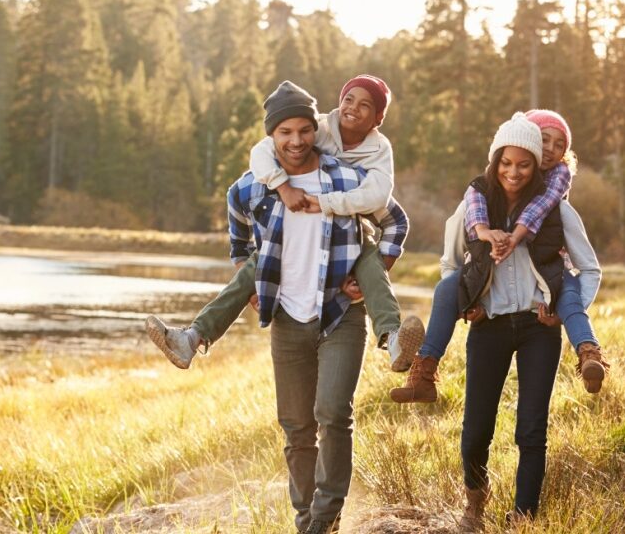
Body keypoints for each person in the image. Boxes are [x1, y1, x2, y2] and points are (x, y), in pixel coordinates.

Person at [213, 82, 409, 534]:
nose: (297, 140)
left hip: (340, 312)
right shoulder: (254, 185)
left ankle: (324, 519)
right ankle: (307, 521)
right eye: (285, 132)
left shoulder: (344, 176)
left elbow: (394, 218)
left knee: (333, 413)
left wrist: (374, 268)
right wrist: (249, 275)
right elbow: (237, 229)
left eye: (304, 130)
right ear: (272, 136)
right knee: (297, 428)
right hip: (286, 317)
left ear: (313, 131)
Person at [146, 77, 421, 373]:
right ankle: (191, 338)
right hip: (292, 236)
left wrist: (371, 272)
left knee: (370, 262)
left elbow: (383, 201)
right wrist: (282, 187)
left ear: (379, 118)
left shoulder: (378, 151)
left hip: (351, 233)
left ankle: (393, 338)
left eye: (365, 105)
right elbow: (262, 152)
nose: (353, 108)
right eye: (349, 99)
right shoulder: (317, 127)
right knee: (257, 264)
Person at [412, 113, 599, 529]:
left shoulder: (557, 212)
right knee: (476, 428)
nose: (513, 172)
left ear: (537, 165)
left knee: (531, 429)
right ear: (495, 161)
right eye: (505, 163)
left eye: (525, 164)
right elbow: (449, 265)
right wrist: (466, 304)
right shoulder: (474, 206)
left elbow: (589, 269)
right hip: (489, 326)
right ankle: (475, 503)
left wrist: (563, 309)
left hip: (539, 330)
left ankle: (523, 517)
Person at [390, 109, 610, 403]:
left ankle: (589, 353)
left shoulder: (556, 185)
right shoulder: (482, 189)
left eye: (560, 145)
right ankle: (424, 371)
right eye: (544, 140)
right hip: (491, 294)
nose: (551, 150)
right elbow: (462, 232)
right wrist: (481, 241)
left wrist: (514, 237)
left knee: (569, 294)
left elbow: (540, 210)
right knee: (446, 288)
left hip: (549, 273)